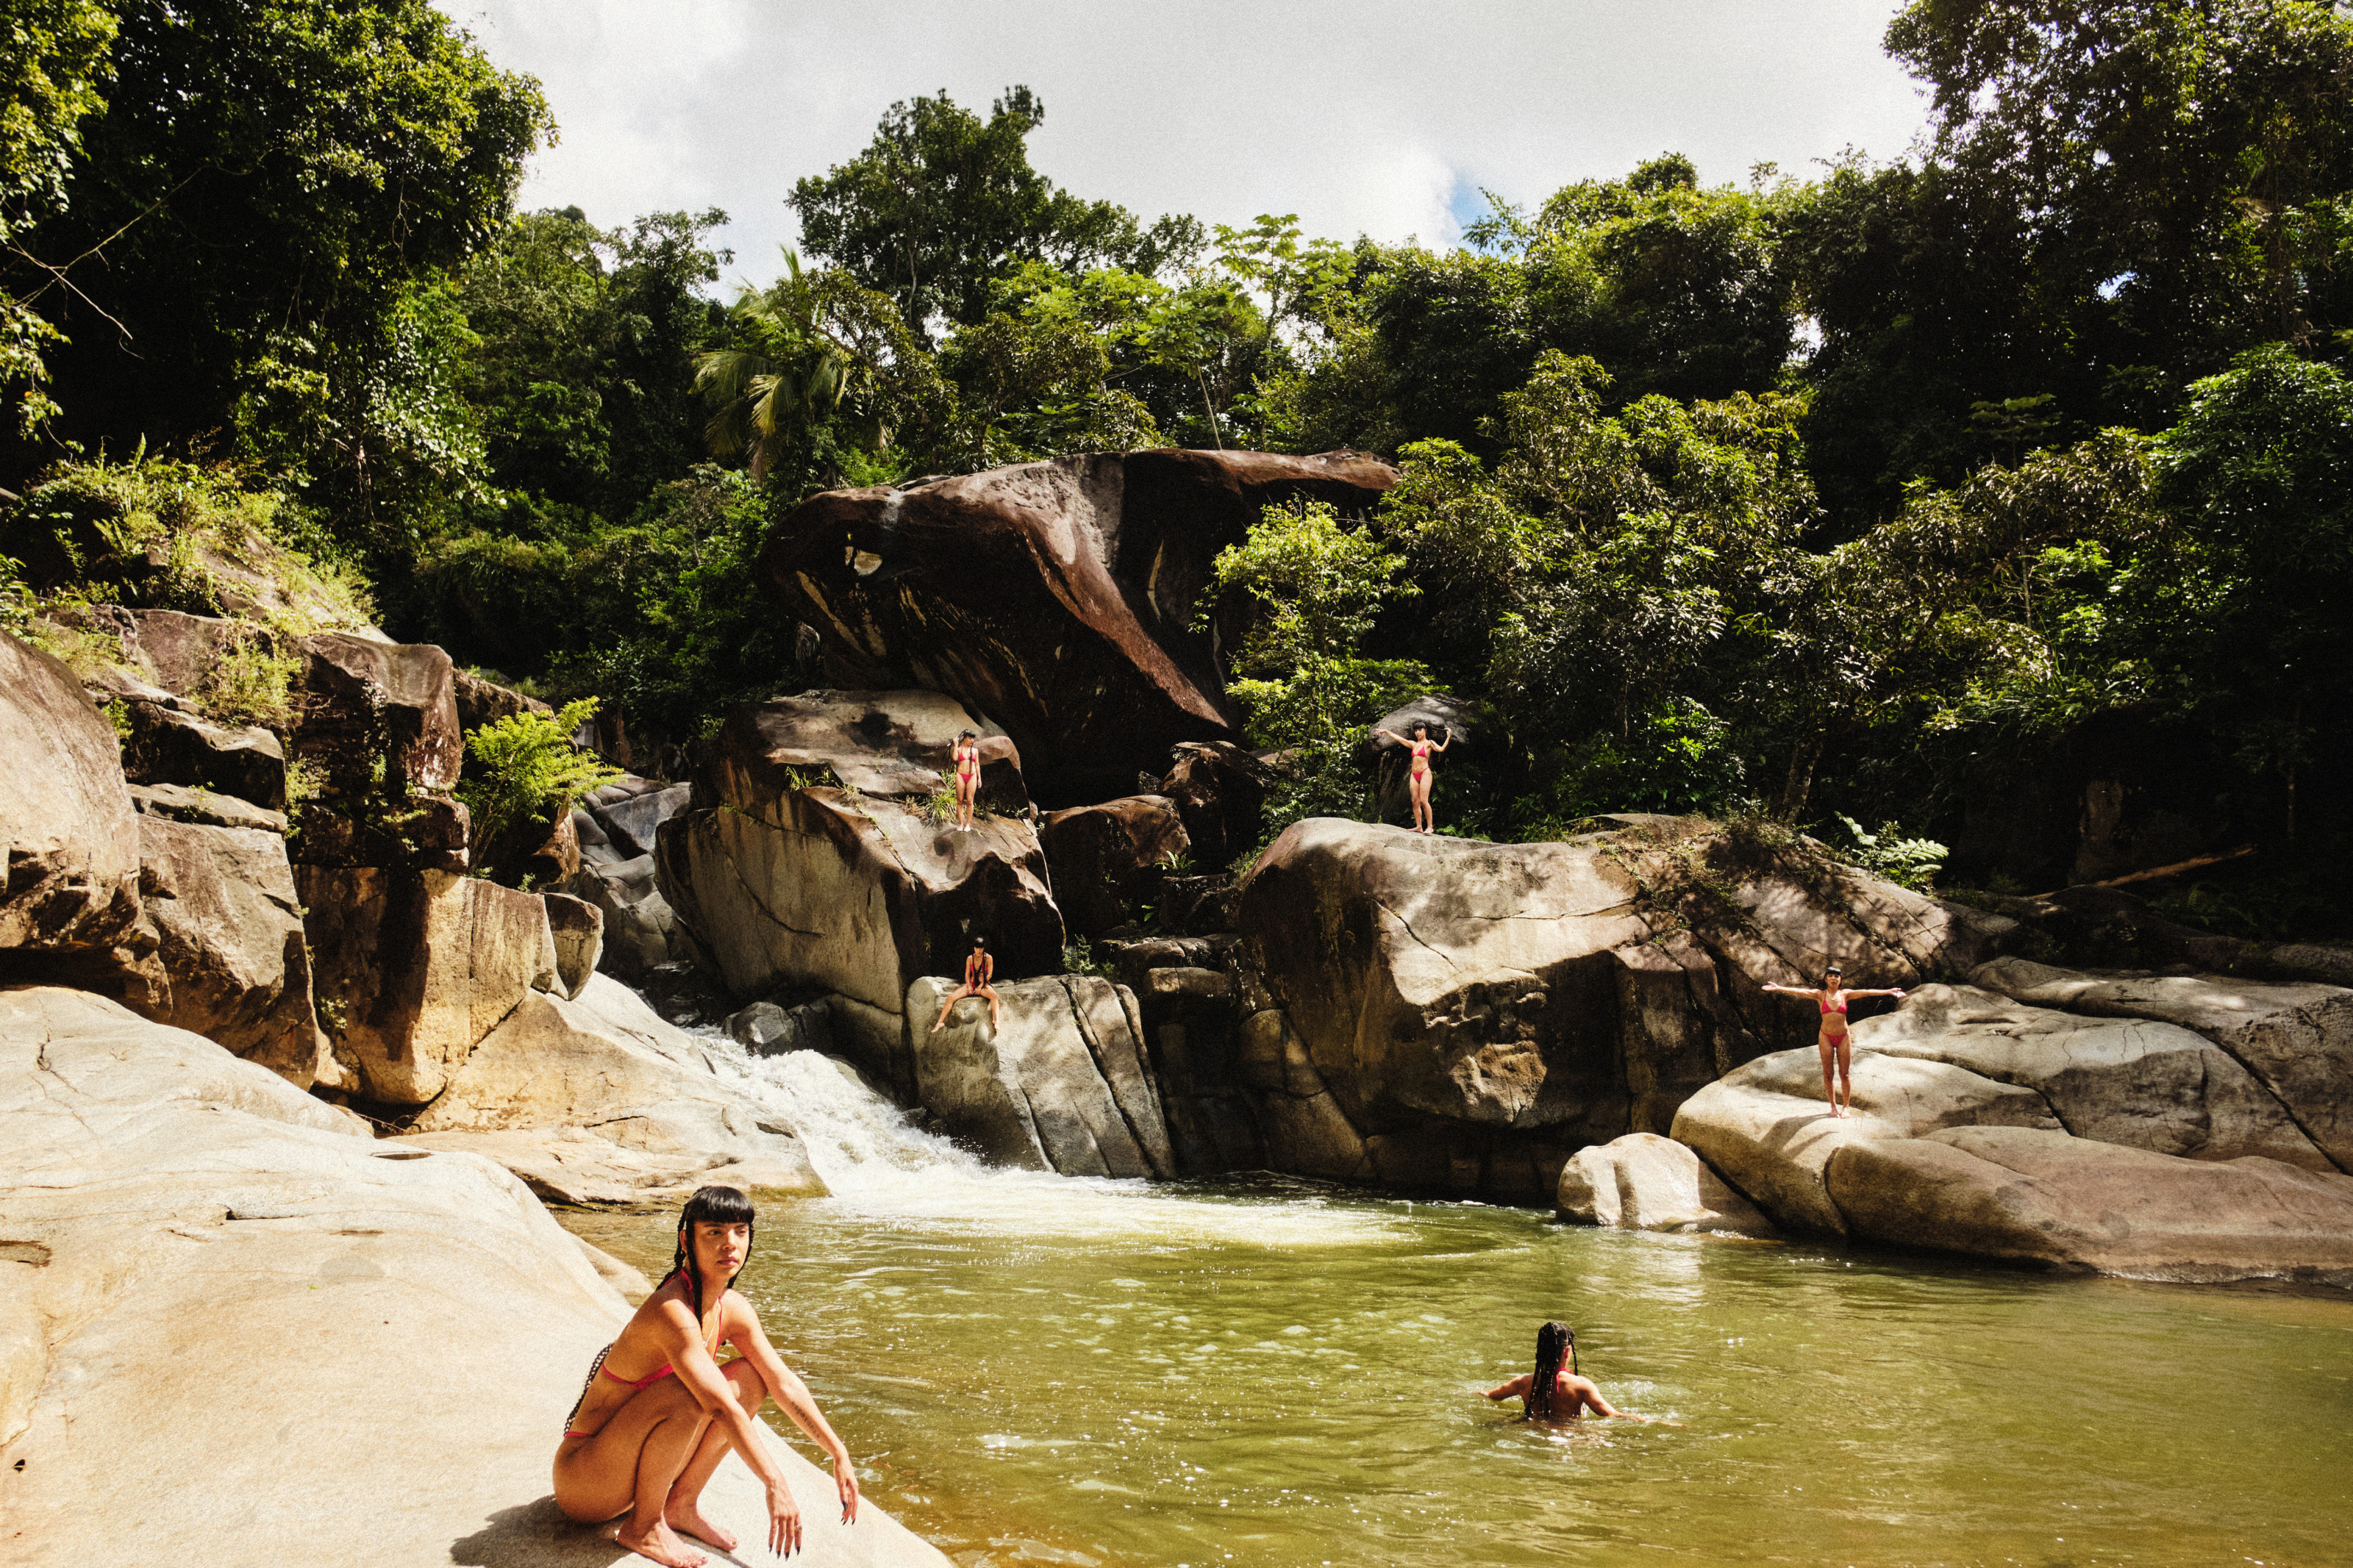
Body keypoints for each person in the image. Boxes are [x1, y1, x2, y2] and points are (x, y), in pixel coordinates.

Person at [554, 1186, 860, 1567]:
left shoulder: (732, 1308)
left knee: (750, 1376)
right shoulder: (672, 1310)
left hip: (632, 1462)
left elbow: (783, 1382)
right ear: (687, 1240)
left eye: (739, 1231)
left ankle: (680, 1504)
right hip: (587, 1480)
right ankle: (644, 1527)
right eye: (714, 1232)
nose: (729, 1243)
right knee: (692, 1390)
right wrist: (775, 1483)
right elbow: (718, 1406)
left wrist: (837, 1451)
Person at [1762, 963, 1907, 1117]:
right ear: (1826, 979)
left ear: (1840, 980)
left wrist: (1888, 992)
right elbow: (1800, 991)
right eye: (1830, 976)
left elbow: (1866, 992)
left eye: (1836, 976)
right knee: (1828, 1074)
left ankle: (1846, 1107)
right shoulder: (1820, 995)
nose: (1833, 978)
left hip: (1843, 1036)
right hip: (1826, 1036)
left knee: (1845, 1074)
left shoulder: (1845, 994)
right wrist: (1778, 988)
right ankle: (1833, 1107)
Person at [1485, 1322, 1657, 1423]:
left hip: (1533, 1429)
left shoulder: (1523, 1383)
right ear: (1567, 1351)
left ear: (1540, 1352)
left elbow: (1490, 1395)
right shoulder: (1581, 1385)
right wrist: (1654, 1421)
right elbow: (1613, 1415)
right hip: (1569, 1437)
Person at [1371, 719, 1451, 834]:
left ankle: (1430, 827)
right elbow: (1399, 739)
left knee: (1424, 801)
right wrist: (1386, 732)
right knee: (1415, 801)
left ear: (1425, 731)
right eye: (1416, 731)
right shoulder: (1414, 744)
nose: (1418, 732)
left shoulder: (1429, 743)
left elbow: (1441, 749)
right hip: (1414, 774)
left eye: (1420, 730)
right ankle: (1419, 826)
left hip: (1425, 773)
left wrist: (1448, 736)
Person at [929, 934, 1001, 1034]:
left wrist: (980, 986)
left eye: (981, 948)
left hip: (983, 984)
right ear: (974, 948)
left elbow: (989, 975)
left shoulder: (988, 958)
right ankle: (940, 1022)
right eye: (977, 948)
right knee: (950, 997)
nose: (979, 951)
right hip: (972, 983)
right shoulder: (970, 958)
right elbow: (967, 974)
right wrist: (969, 986)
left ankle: (996, 1020)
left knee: (993, 996)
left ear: (984, 948)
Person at [948, 729, 982, 832]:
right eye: (970, 738)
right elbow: (955, 758)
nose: (972, 740)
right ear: (965, 738)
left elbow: (977, 765)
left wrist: (979, 778)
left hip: (972, 776)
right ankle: (961, 824)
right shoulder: (959, 749)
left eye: (973, 739)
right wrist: (955, 745)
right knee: (960, 800)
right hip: (960, 775)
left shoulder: (975, 751)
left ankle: (968, 824)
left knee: (970, 800)